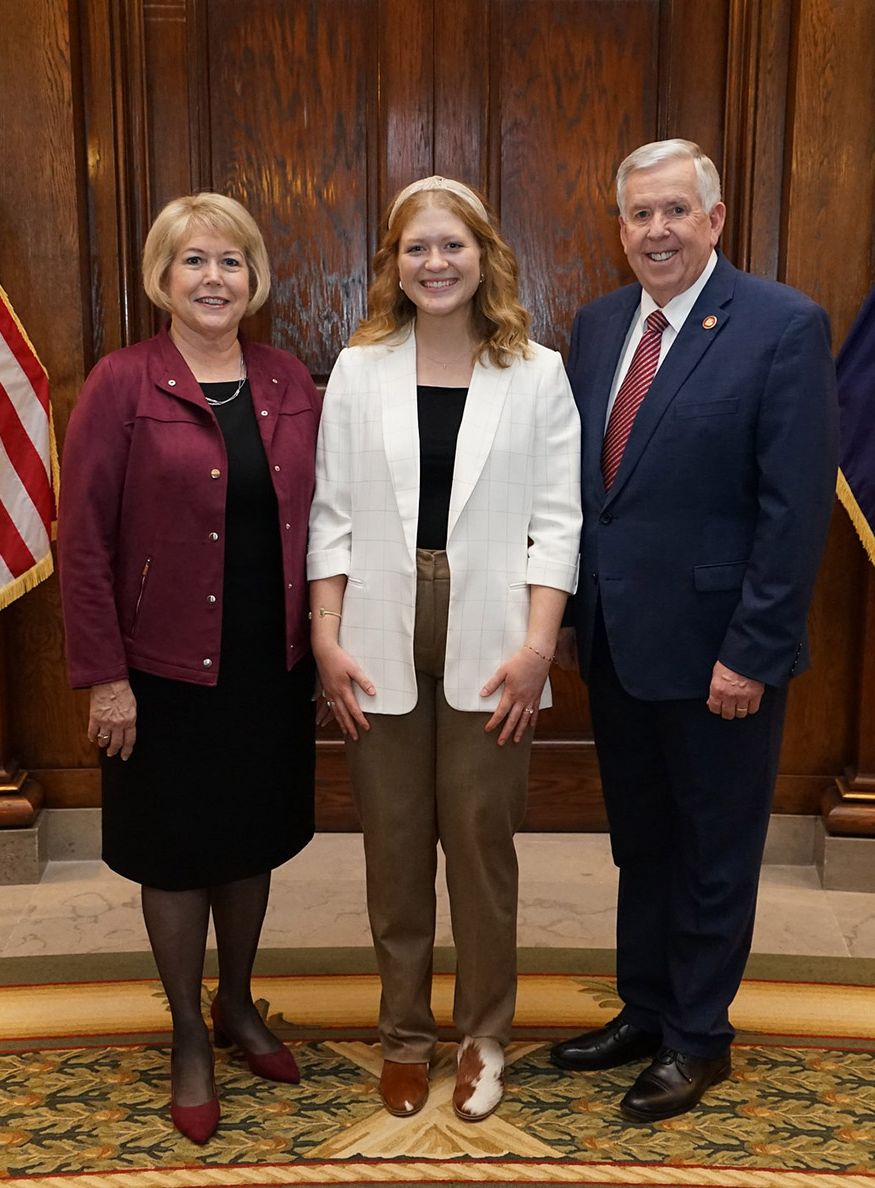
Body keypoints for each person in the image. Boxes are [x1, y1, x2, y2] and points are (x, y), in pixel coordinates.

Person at [550, 140, 838, 1121]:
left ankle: (699, 1037)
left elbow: (793, 510)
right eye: (639, 215)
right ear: (620, 228)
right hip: (620, 644)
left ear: (715, 219)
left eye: (676, 210)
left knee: (715, 849)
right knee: (644, 843)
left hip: (723, 653)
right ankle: (645, 1008)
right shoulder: (595, 328)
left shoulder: (781, 325)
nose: (657, 231)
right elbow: (594, 491)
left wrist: (752, 650)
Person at [307, 176, 581, 1121]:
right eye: (417, 248)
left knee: (479, 847)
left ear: (484, 255)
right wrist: (325, 638)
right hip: (377, 632)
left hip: (497, 642)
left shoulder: (537, 373)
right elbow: (331, 517)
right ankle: (404, 1036)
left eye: (452, 246)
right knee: (392, 850)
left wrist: (540, 650)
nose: (435, 263)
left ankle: (485, 1035)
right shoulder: (359, 368)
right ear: (394, 262)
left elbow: (558, 525)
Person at [59, 193, 321, 1143]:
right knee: (173, 854)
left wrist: (328, 644)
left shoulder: (290, 380)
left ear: (255, 280)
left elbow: (327, 524)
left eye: (232, 263)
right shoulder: (120, 383)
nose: (215, 280)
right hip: (159, 673)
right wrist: (104, 676)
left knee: (248, 840)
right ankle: (188, 1034)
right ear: (162, 279)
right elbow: (81, 540)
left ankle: (239, 1003)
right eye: (194, 263)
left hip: (269, 666)